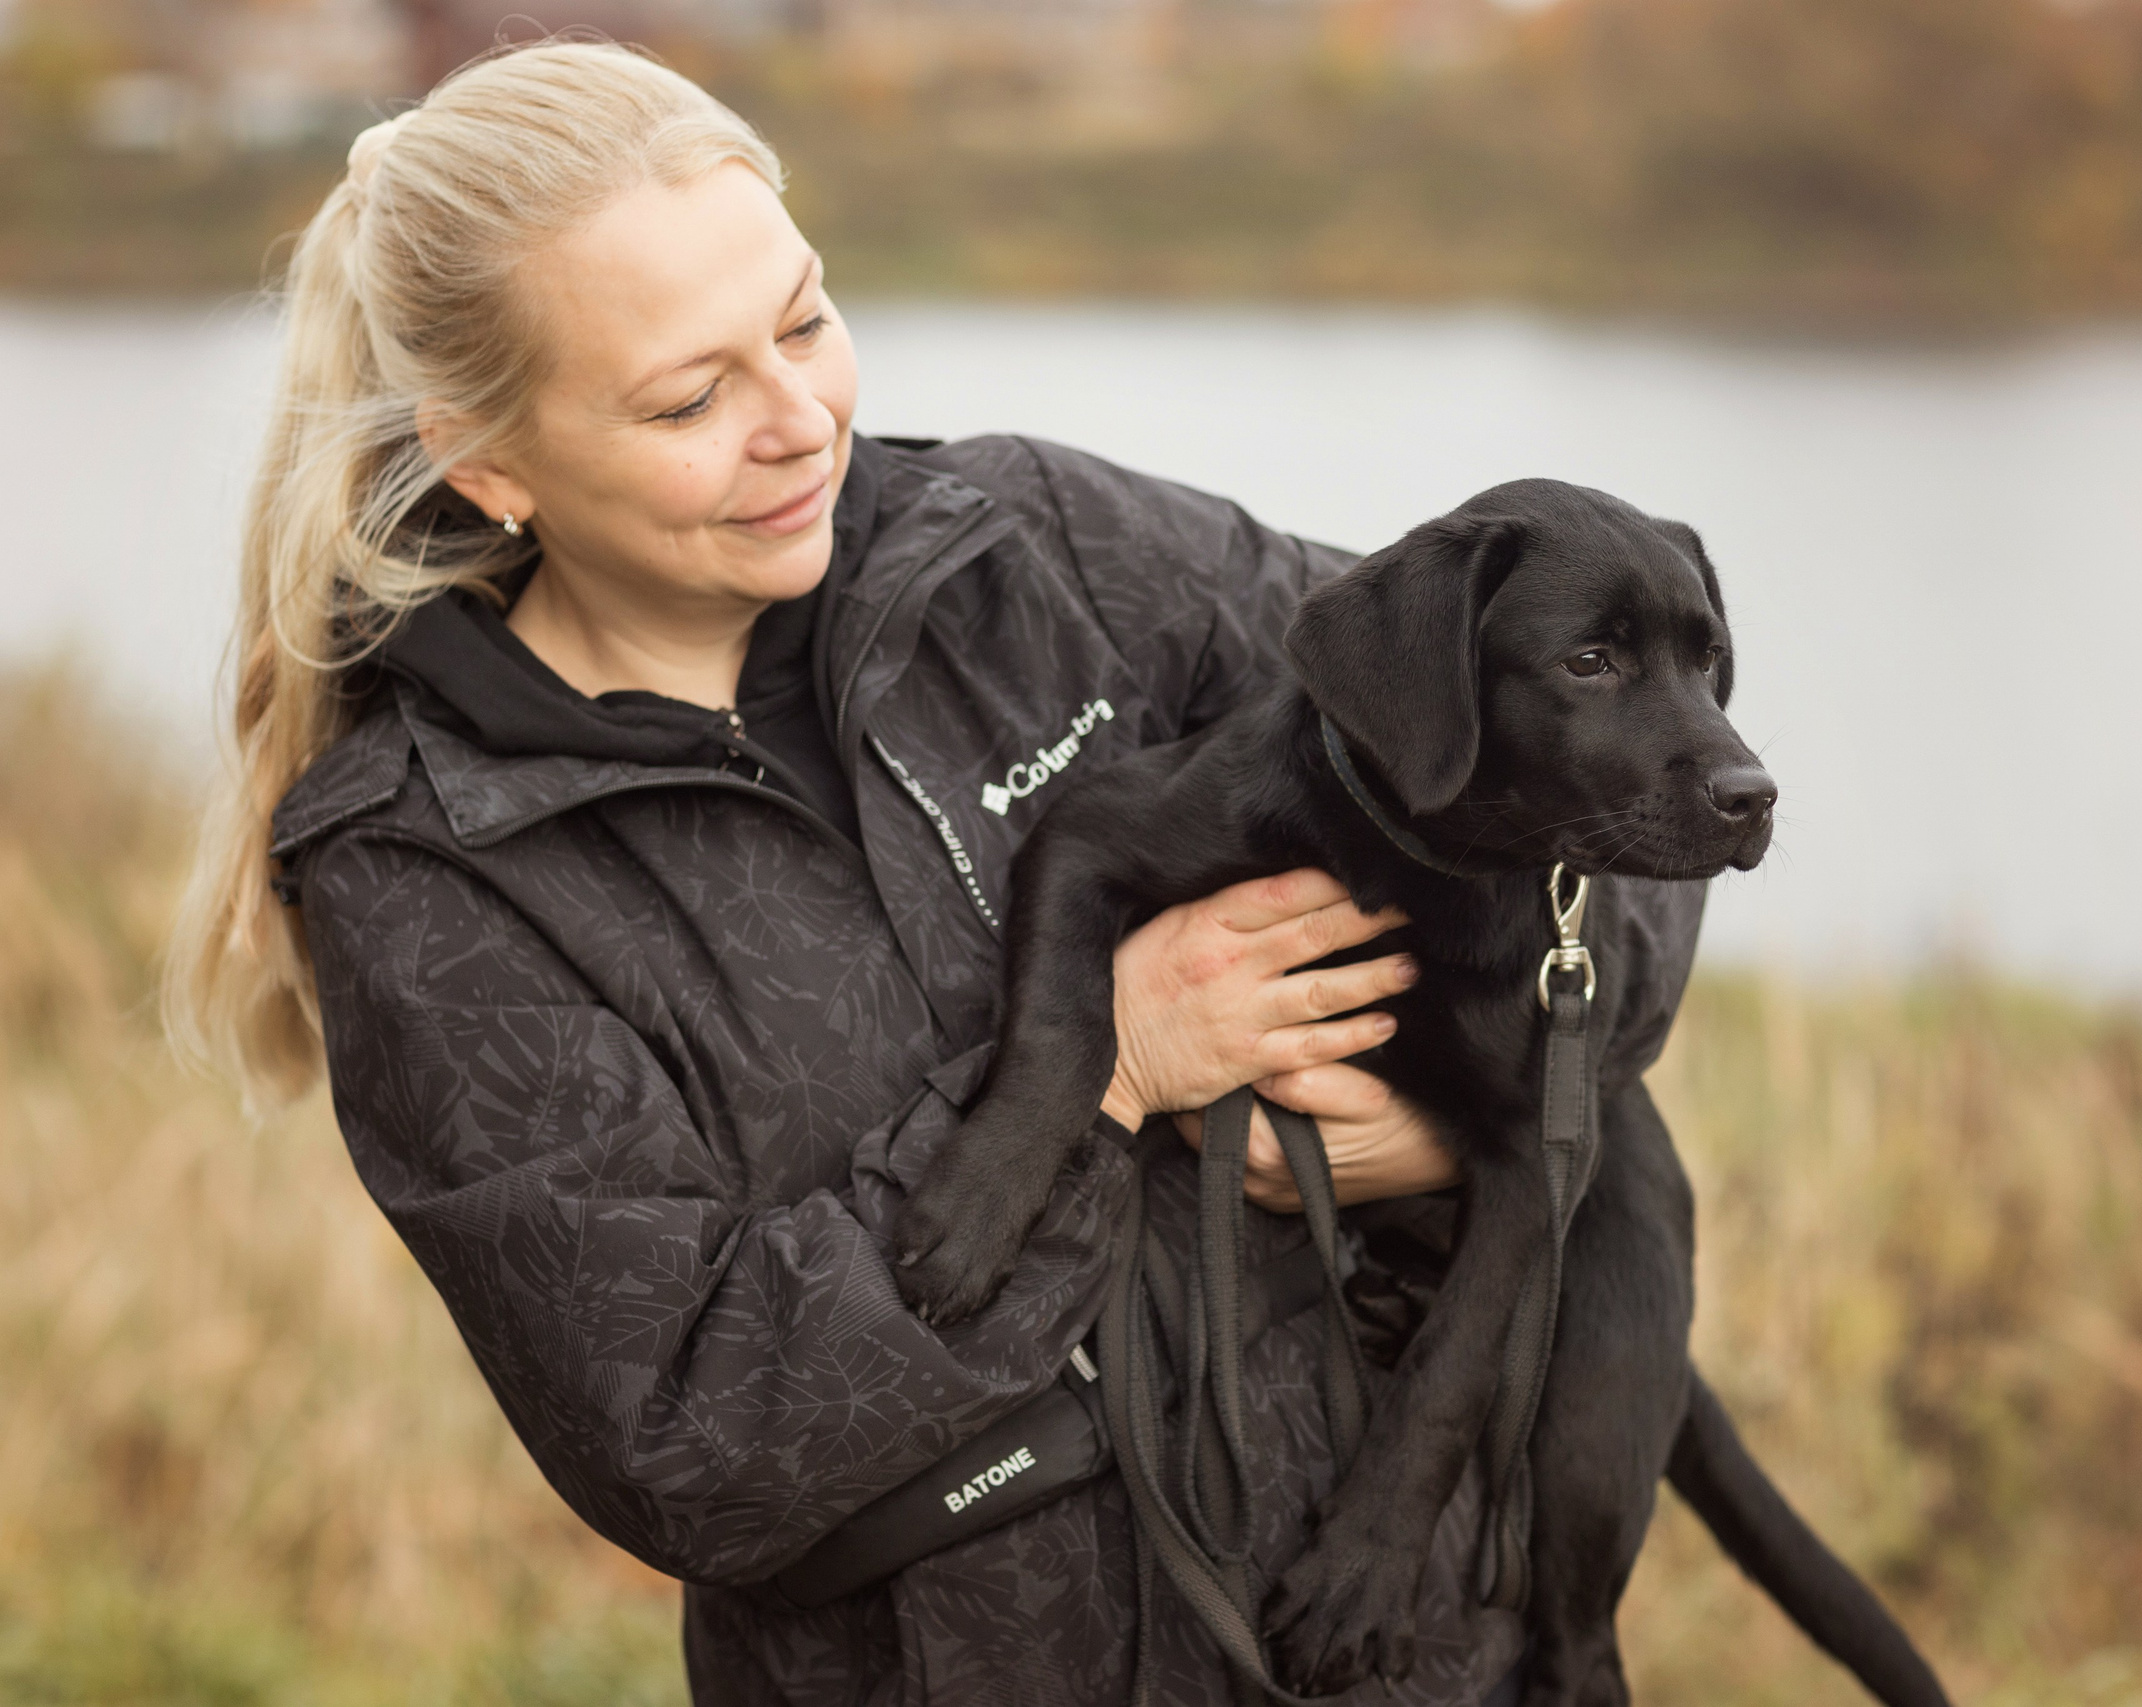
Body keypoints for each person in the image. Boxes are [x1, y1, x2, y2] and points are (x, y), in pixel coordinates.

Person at [168, 40, 1699, 1707]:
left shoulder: (1043, 548)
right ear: (490, 461)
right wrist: (1102, 1077)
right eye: (690, 399)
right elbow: (694, 1440)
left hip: (1408, 1651)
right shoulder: (438, 873)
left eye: (806, 319)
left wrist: (1436, 1140)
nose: (798, 423)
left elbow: (1601, 802)